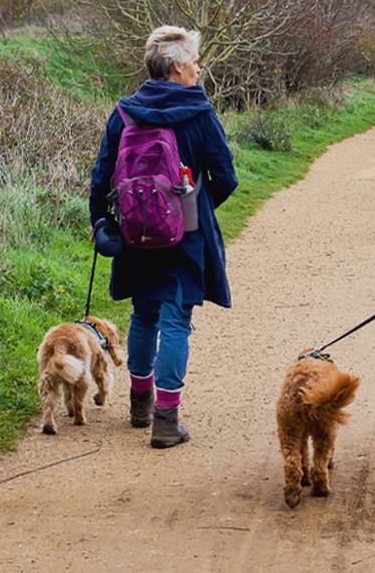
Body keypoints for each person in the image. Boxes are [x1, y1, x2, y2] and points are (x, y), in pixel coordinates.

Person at [89, 26, 238, 448]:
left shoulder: (124, 113)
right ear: (176, 66)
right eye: (194, 61)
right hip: (186, 232)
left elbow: (101, 176)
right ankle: (167, 422)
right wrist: (195, 209)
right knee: (176, 320)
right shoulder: (200, 113)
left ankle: (139, 405)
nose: (197, 68)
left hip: (135, 232)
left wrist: (102, 221)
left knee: (144, 313)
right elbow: (225, 176)